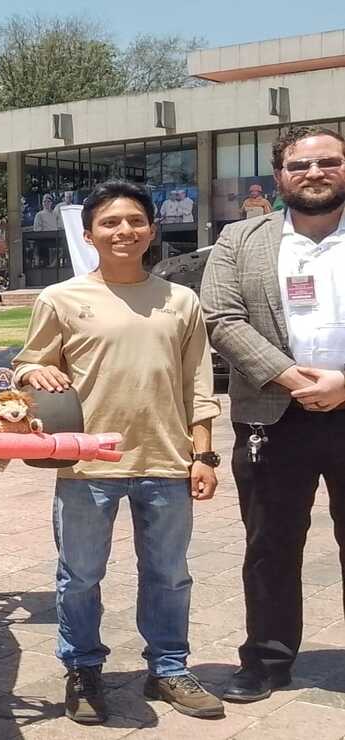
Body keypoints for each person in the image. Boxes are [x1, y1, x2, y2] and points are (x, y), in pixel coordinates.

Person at [14, 181, 224, 724]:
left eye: (135, 221)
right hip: (87, 464)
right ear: (89, 235)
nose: (123, 231)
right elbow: (27, 364)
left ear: (152, 230)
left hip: (167, 460)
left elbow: (197, 385)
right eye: (109, 223)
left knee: (169, 575)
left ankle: (169, 668)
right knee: (80, 577)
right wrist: (34, 371)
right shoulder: (60, 299)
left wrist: (203, 456)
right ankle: (83, 669)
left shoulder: (181, 301)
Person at [201, 125, 345, 703]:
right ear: (280, 175)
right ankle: (266, 659)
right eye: (299, 165)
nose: (315, 173)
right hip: (272, 415)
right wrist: (289, 377)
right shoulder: (240, 238)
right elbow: (221, 318)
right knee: (269, 545)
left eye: (328, 161)